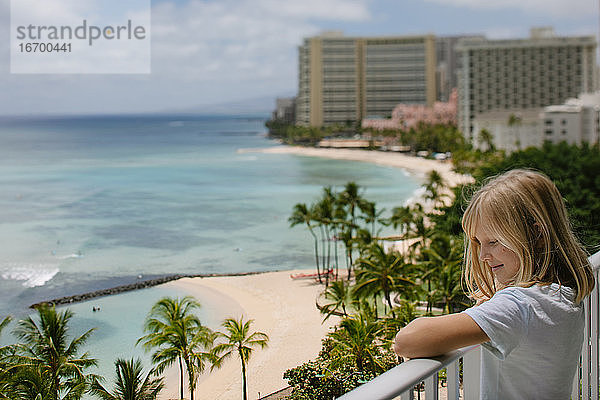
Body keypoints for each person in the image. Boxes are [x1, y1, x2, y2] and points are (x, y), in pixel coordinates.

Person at [393, 169, 595, 399]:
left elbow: (408, 340)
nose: (482, 256)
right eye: (479, 243)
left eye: (494, 241)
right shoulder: (560, 294)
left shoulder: (520, 306)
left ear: (537, 235)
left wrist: (482, 308)